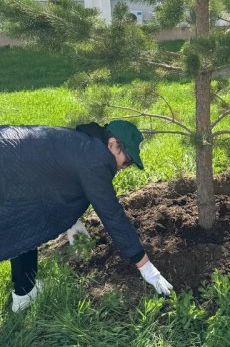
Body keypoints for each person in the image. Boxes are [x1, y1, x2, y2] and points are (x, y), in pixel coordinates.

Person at [0, 120, 173, 312]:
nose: (126, 166)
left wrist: (71, 221)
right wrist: (145, 266)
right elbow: (112, 215)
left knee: (23, 221)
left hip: (12, 165)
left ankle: (25, 291)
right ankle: (24, 292)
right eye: (128, 159)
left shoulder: (85, 143)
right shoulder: (97, 159)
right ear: (112, 144)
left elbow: (56, 180)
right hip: (6, 168)